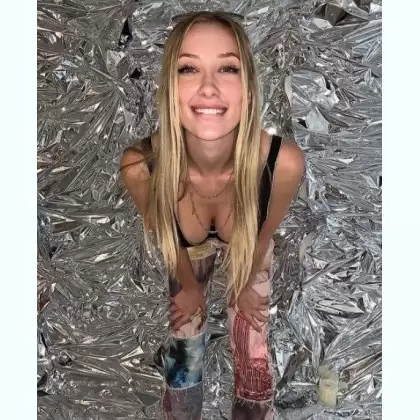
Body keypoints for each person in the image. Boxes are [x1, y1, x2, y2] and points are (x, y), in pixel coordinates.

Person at [120, 10, 305, 420]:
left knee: (253, 346)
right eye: (188, 68)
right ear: (170, 87)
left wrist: (244, 282)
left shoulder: (283, 163)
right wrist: (189, 286)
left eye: (227, 68)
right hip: (186, 245)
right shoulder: (141, 166)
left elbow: (262, 234)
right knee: (184, 344)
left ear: (249, 89)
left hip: (247, 242)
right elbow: (167, 237)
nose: (208, 87)